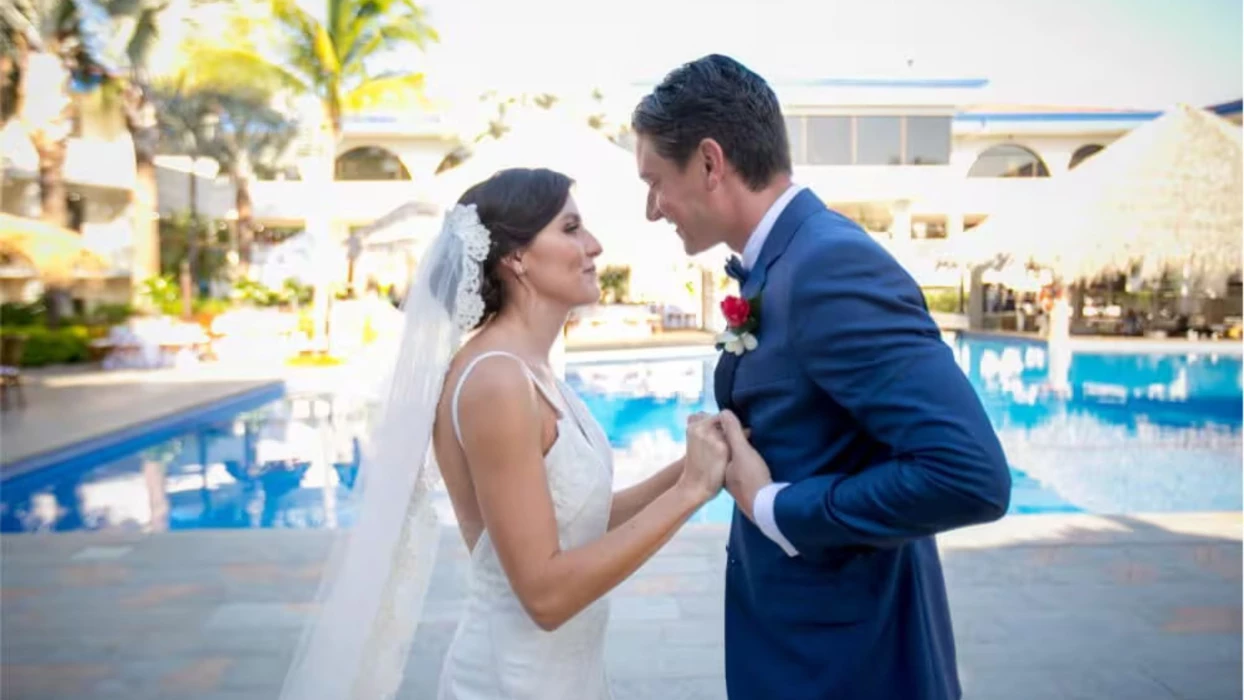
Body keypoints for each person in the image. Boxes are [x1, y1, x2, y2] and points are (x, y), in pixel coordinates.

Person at [632, 54, 1013, 700]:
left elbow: (969, 474)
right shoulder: (782, 264)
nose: (651, 209)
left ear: (709, 163)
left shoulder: (828, 267)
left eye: (655, 181)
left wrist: (772, 504)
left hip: (849, 666)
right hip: (799, 651)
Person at [278, 167, 731, 700]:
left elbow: (579, 518)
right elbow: (544, 595)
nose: (595, 246)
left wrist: (694, 465)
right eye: (570, 228)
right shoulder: (495, 381)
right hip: (513, 681)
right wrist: (689, 494)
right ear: (516, 257)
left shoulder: (531, 369)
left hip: (564, 677)